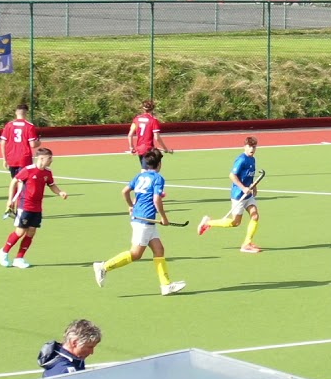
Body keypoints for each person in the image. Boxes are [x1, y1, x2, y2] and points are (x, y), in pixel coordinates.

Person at [92, 148, 187, 296]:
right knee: (136, 254)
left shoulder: (139, 176)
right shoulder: (158, 178)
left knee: (159, 249)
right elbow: (156, 199)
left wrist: (131, 206)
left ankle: (166, 285)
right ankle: (104, 266)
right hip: (144, 220)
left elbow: (124, 191)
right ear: (159, 163)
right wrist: (164, 217)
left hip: (143, 219)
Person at [0, 147, 68, 268]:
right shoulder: (28, 170)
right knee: (20, 231)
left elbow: (52, 185)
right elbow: (14, 181)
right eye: (49, 158)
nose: (51, 160)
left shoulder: (47, 172)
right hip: (25, 205)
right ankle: (3, 252)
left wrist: (60, 192)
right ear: (41, 158)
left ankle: (19, 258)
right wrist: (10, 199)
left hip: (37, 207)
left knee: (31, 232)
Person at [197, 137, 262, 253]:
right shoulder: (241, 160)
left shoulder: (253, 160)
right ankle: (207, 223)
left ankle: (247, 243)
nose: (252, 149)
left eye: (254, 147)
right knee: (235, 223)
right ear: (245, 146)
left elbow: (250, 176)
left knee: (255, 216)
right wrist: (243, 188)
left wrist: (254, 186)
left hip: (248, 195)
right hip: (238, 195)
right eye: (250, 146)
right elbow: (232, 175)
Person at [1, 103, 41, 218]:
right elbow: (33, 144)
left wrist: (4, 159)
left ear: (16, 112)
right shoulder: (29, 126)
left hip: (11, 158)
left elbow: (3, 142)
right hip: (24, 159)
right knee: (23, 185)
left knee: (14, 182)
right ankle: (20, 209)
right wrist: (39, 142)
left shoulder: (9, 125)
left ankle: (10, 207)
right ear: (26, 113)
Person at [127, 100, 173, 167]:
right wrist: (165, 148)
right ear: (153, 109)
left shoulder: (136, 119)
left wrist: (131, 147)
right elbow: (157, 137)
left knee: (144, 169)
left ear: (143, 108)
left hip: (140, 148)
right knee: (153, 168)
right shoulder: (153, 120)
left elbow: (130, 135)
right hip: (148, 149)